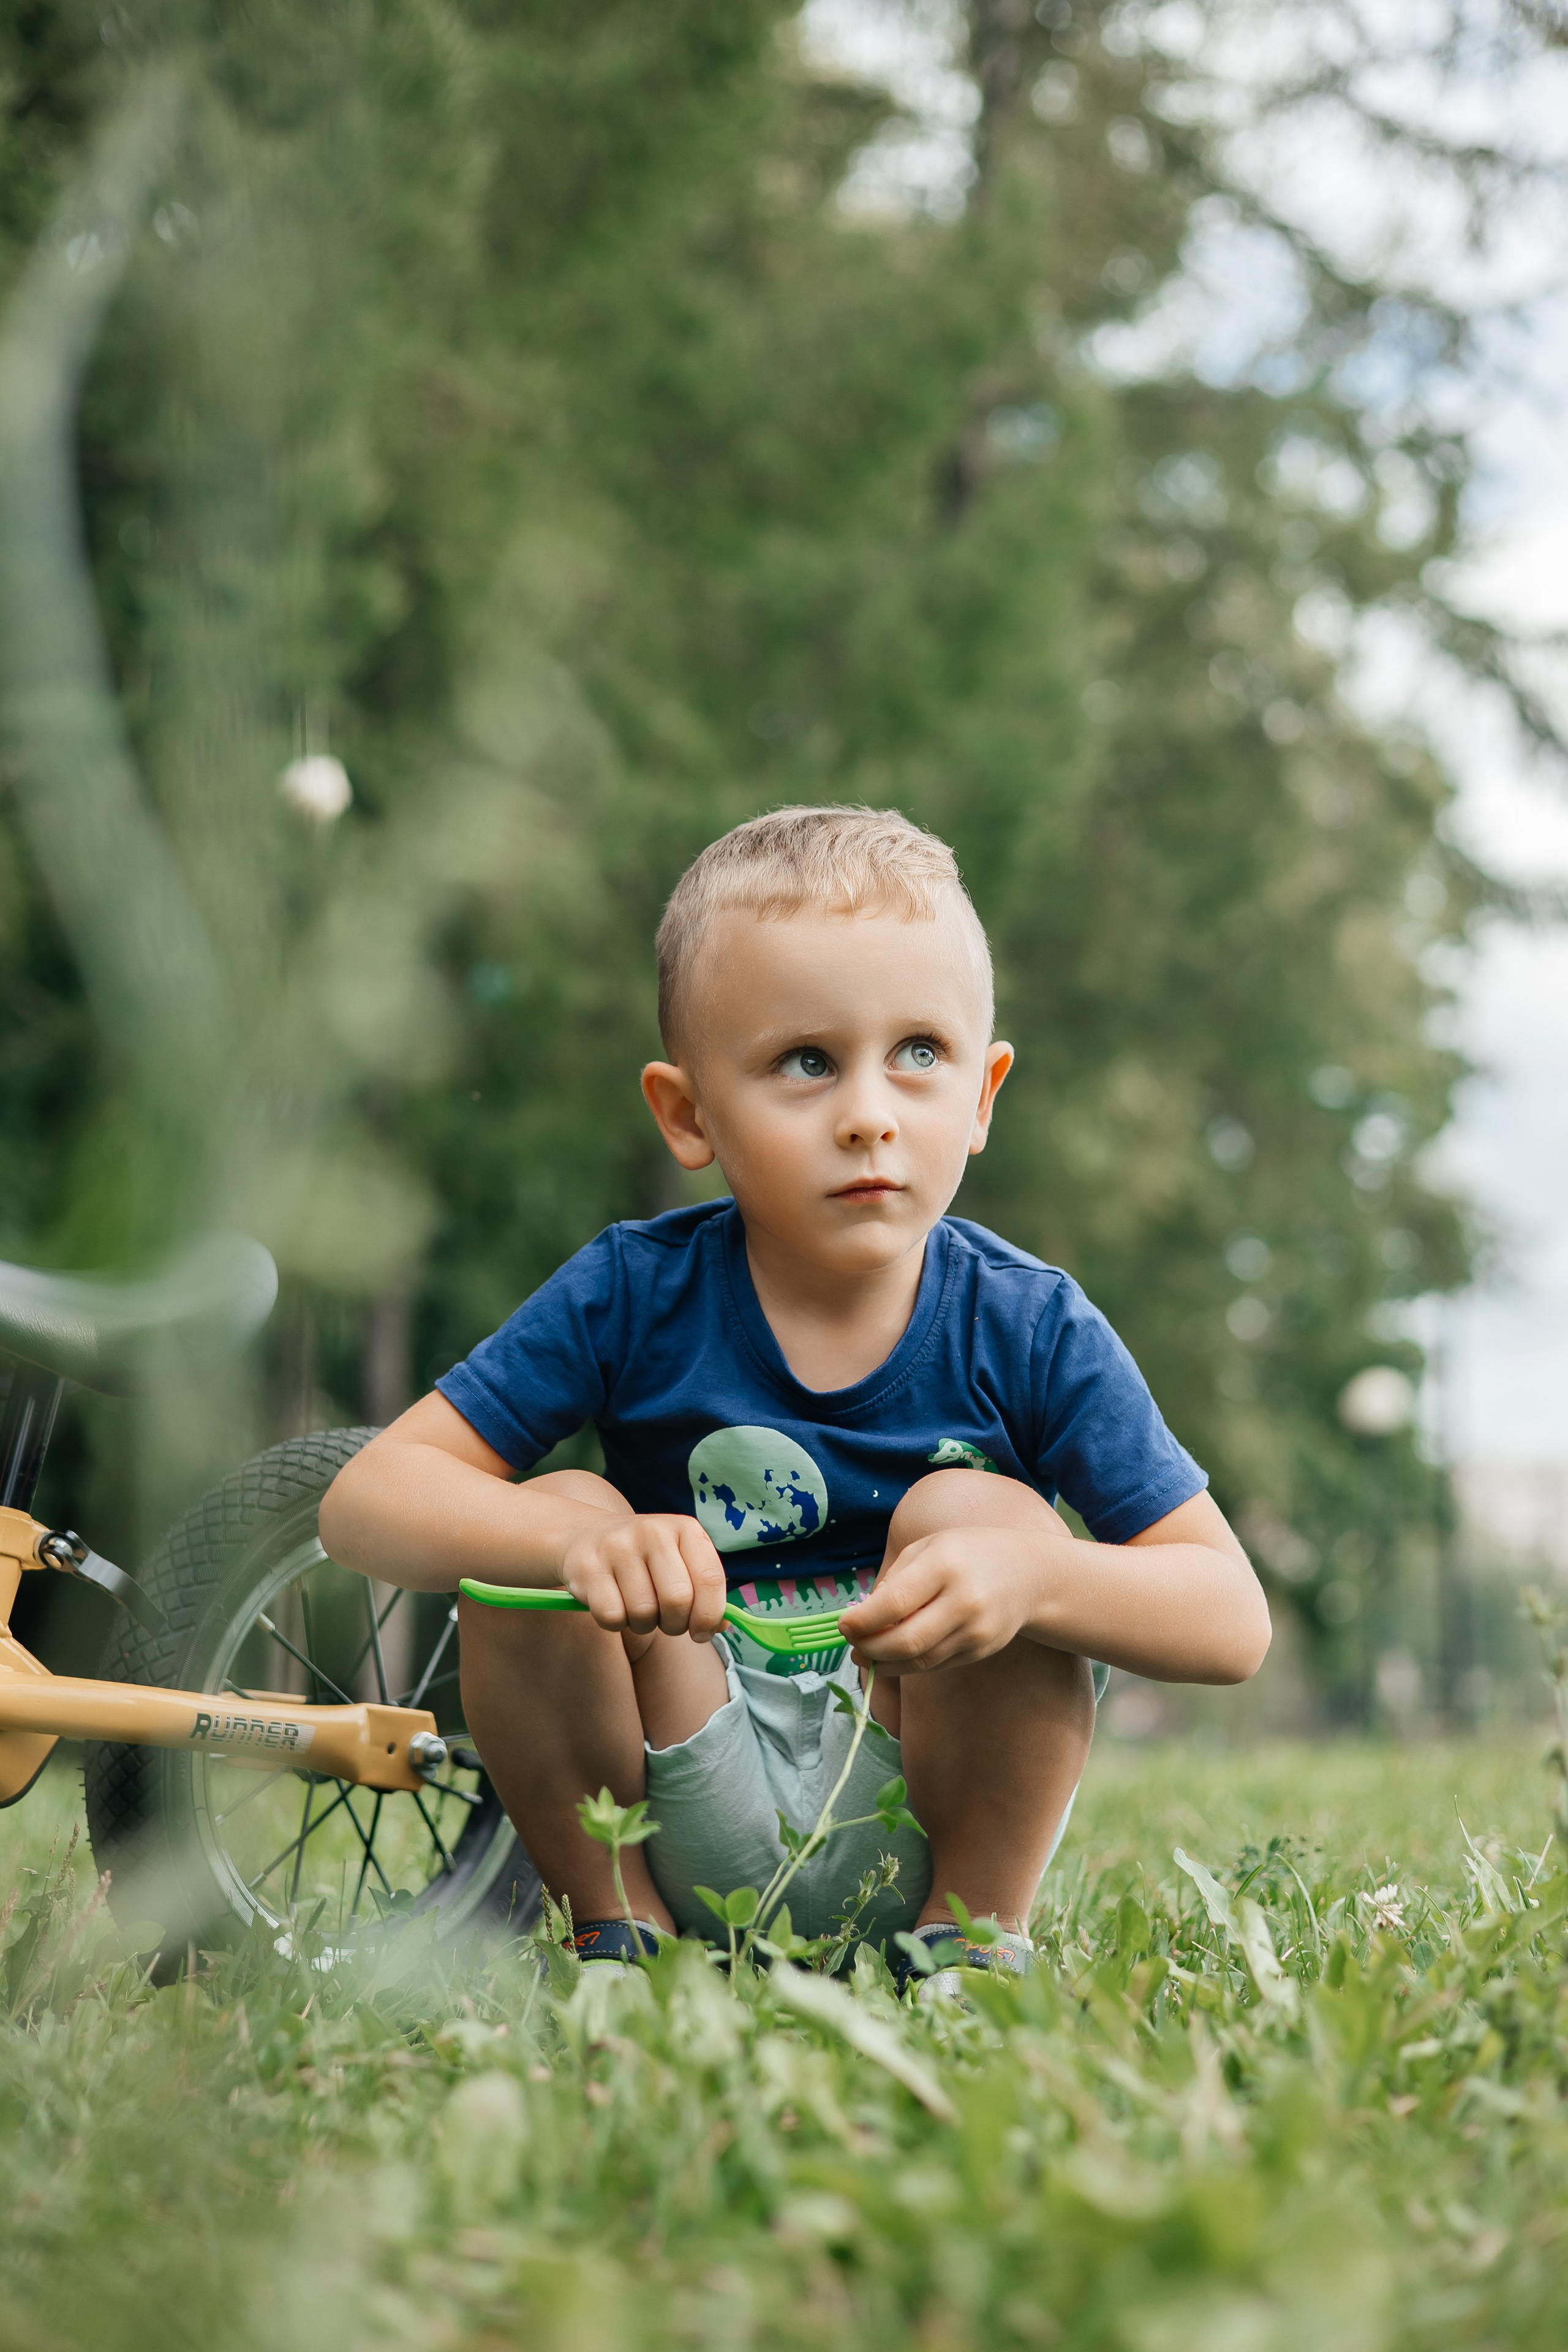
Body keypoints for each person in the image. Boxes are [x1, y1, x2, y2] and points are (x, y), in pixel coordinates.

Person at [320, 806, 1270, 1993]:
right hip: (672, 1774)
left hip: (917, 1801)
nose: (869, 1110)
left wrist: (1036, 1577)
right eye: (805, 1061)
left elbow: (1229, 1620)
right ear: (688, 1114)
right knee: (542, 1513)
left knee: (983, 1524)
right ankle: (620, 1940)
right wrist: (585, 1536)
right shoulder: (634, 1291)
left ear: (982, 1093)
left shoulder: (1026, 1323)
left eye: (917, 1052)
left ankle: (968, 1945)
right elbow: (365, 1501)